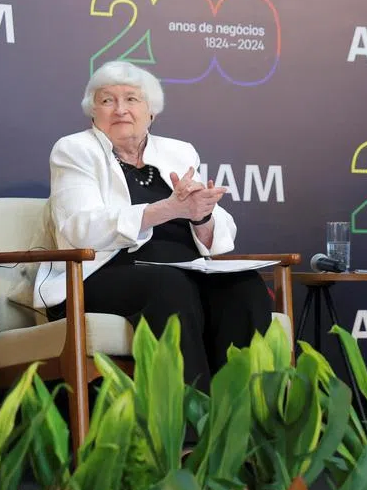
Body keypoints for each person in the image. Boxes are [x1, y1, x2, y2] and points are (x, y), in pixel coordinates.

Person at [31, 60, 273, 389]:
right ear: (93, 113)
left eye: (132, 99)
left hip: (184, 270)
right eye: (107, 100)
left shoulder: (179, 152)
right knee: (169, 285)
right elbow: (79, 228)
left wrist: (200, 214)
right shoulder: (75, 150)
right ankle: (186, 416)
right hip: (102, 273)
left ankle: (241, 410)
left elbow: (220, 236)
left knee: (243, 286)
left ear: (151, 112)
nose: (120, 109)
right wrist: (164, 210)